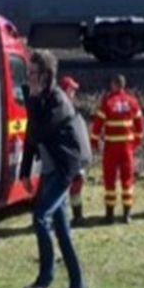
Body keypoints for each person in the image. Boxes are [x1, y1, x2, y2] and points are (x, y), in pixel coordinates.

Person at [19, 50, 89, 288]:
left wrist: (32, 99)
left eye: (33, 73)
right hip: (50, 169)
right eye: (28, 72)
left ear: (46, 75)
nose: (29, 78)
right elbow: (30, 136)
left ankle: (44, 282)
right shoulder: (39, 99)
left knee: (40, 217)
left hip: (64, 169)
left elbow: (39, 131)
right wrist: (24, 172)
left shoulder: (57, 100)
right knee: (61, 229)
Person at [90, 74, 144, 224]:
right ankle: (127, 214)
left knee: (110, 180)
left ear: (114, 85)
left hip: (111, 148)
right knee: (127, 180)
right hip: (127, 148)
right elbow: (140, 126)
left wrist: (94, 141)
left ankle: (110, 215)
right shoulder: (133, 102)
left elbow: (97, 125)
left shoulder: (107, 102)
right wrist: (135, 143)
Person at [59, 75, 85, 225]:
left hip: (75, 156)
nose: (74, 93)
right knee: (64, 187)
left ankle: (77, 215)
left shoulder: (69, 107)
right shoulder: (63, 108)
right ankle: (64, 217)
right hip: (68, 156)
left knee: (77, 185)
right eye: (72, 89)